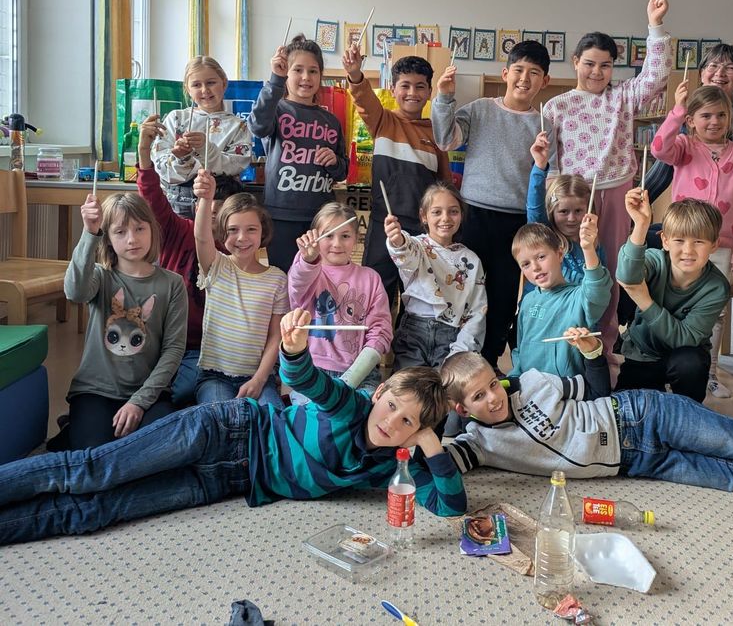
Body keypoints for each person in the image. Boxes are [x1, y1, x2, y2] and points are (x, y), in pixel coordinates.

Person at [0, 309, 466, 545]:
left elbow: (450, 508)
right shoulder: (350, 406)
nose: (392, 424)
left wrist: (432, 443)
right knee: (89, 471)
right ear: (379, 395)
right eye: (393, 409)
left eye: (407, 424)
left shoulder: (393, 470)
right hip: (227, 430)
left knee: (91, 513)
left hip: (226, 480)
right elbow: (304, 379)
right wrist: (294, 348)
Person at [440, 348, 733, 506]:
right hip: (641, 464)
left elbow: (596, 387)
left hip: (642, 415)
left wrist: (592, 354)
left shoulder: (532, 382)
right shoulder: (477, 443)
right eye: (478, 397)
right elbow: (436, 460)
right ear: (461, 407)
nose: (493, 398)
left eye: (492, 384)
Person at [542, 0, 672, 375]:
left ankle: (606, 350)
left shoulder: (624, 97)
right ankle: (566, 343)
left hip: (616, 189)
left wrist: (655, 24)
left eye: (605, 65)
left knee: (612, 269)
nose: (597, 72)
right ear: (575, 63)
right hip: (571, 197)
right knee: (570, 267)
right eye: (589, 64)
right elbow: (549, 162)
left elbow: (656, 75)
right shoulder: (556, 105)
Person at [431, 40, 554, 366]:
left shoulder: (543, 125)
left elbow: (544, 177)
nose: (524, 79)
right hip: (473, 217)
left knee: (500, 300)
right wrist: (443, 97)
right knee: (461, 291)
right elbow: (445, 139)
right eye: (518, 70)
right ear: (505, 73)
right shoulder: (481, 108)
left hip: (515, 224)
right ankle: (451, 364)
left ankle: (486, 365)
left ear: (545, 81)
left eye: (534, 73)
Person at [651, 83, 733, 398]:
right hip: (683, 242)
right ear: (692, 120)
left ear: (731, 118)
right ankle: (667, 365)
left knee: (715, 310)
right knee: (669, 300)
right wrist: (677, 109)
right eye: (705, 115)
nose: (714, 121)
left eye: (721, 115)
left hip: (722, 246)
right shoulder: (683, 146)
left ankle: (708, 372)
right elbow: (659, 147)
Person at [58, 192, 187, 450]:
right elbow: (75, 292)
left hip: (149, 393)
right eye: (120, 232)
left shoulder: (172, 283)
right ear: (107, 237)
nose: (132, 239)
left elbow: (173, 349)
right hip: (95, 391)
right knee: (95, 455)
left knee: (160, 451)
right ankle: (78, 428)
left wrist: (139, 401)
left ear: (152, 229)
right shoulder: (100, 276)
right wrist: (88, 233)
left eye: (139, 228)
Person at [137, 114, 243, 406]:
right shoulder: (175, 230)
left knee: (190, 394)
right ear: (196, 204)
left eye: (219, 213)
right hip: (165, 341)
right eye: (205, 207)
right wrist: (144, 152)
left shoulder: (238, 246)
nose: (210, 218)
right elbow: (150, 194)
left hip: (208, 350)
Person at [341, 43, 452, 310]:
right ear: (393, 89)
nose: (412, 93)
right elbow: (364, 99)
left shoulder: (437, 134)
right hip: (383, 224)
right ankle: (375, 349)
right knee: (375, 294)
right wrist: (355, 74)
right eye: (405, 85)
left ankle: (406, 352)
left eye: (420, 86)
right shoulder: (382, 121)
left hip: (421, 231)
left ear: (429, 92)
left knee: (417, 298)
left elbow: (445, 186)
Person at [615, 191, 729, 402]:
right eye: (679, 240)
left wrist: (644, 299)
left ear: (714, 245)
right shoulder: (654, 260)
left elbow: (684, 338)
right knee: (626, 406)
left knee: (689, 364)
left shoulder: (717, 287)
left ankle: (688, 415)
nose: (688, 250)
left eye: (699, 242)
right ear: (665, 241)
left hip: (685, 356)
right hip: (643, 351)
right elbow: (626, 277)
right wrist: (640, 225)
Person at [247, 36, 348, 272]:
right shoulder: (276, 110)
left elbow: (342, 170)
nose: (306, 77)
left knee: (322, 279)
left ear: (320, 75)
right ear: (286, 74)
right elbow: (257, 126)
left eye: (313, 71)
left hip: (321, 216)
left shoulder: (331, 121)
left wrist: (334, 162)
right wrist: (275, 81)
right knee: (285, 279)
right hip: (281, 216)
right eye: (298, 70)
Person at [193, 169, 288, 408]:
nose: (242, 237)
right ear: (222, 232)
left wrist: (259, 379)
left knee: (273, 421)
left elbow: (276, 336)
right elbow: (201, 238)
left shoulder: (277, 279)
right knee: (219, 420)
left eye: (251, 229)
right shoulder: (215, 265)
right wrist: (206, 198)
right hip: (214, 376)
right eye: (233, 229)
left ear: (263, 231)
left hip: (258, 376)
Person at [288, 202, 392, 400]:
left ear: (356, 239)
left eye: (345, 236)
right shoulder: (307, 269)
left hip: (361, 372)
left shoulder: (370, 278)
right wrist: (308, 260)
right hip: (312, 370)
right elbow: (297, 288)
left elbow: (381, 331)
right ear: (315, 237)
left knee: (365, 415)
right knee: (311, 419)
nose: (337, 243)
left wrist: (352, 377)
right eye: (328, 235)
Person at [645, 42, 733, 200]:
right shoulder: (688, 112)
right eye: (713, 66)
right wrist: (637, 203)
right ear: (702, 74)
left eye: (730, 68)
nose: (720, 73)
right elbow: (664, 165)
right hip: (689, 215)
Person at [384, 182, 487, 369]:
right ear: (424, 216)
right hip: (413, 333)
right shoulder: (417, 246)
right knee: (409, 391)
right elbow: (405, 253)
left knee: (446, 391)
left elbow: (477, 312)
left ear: (462, 215)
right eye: (437, 212)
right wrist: (396, 239)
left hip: (451, 337)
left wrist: (461, 351)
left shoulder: (471, 259)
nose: (445, 218)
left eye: (453, 211)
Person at [151, 56, 252, 218]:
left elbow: (236, 165)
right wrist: (180, 157)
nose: (205, 90)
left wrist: (207, 148)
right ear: (188, 89)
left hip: (221, 203)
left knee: (217, 243)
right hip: (178, 203)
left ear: (224, 83)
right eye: (197, 85)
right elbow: (162, 168)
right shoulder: (175, 118)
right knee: (181, 242)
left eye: (211, 82)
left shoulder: (237, 125)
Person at [509, 223, 611, 378]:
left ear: (559, 253)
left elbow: (597, 290)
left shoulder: (578, 298)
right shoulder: (527, 301)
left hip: (567, 391)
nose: (535, 267)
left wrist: (588, 249)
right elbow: (520, 349)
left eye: (541, 257)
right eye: (526, 264)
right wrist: (515, 379)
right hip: (530, 388)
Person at [527, 135, 607, 288]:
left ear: (589, 210)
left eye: (578, 211)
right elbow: (534, 209)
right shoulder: (547, 237)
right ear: (552, 211)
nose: (571, 218)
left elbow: (600, 286)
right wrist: (539, 167)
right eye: (563, 211)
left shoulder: (595, 245)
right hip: (548, 309)